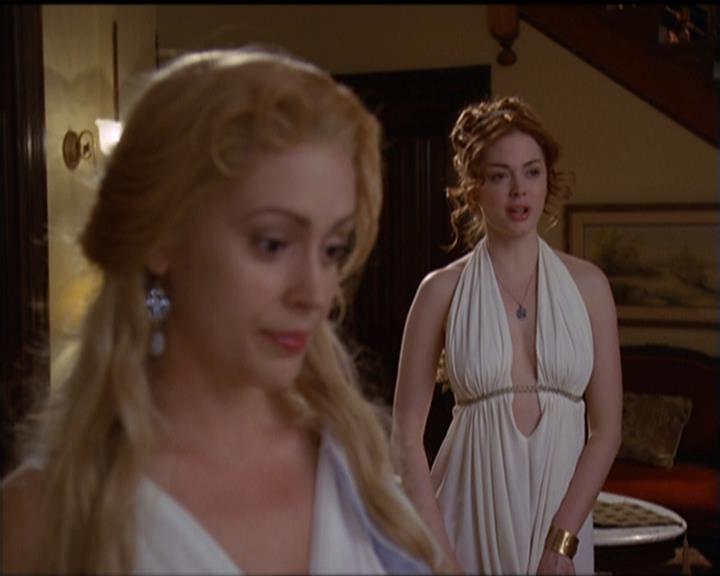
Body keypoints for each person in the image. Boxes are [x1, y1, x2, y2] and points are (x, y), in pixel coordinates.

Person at [1, 48, 450, 575]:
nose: (315, 293)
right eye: (272, 243)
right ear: (162, 238)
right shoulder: (47, 516)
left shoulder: (358, 473)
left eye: (332, 249)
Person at [391, 96, 623, 575]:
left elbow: (607, 431)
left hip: (560, 529)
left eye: (531, 172)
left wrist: (563, 541)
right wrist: (440, 554)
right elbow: (405, 436)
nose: (519, 190)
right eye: (499, 176)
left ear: (548, 179)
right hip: (463, 522)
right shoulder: (440, 291)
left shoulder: (590, 287)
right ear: (474, 187)